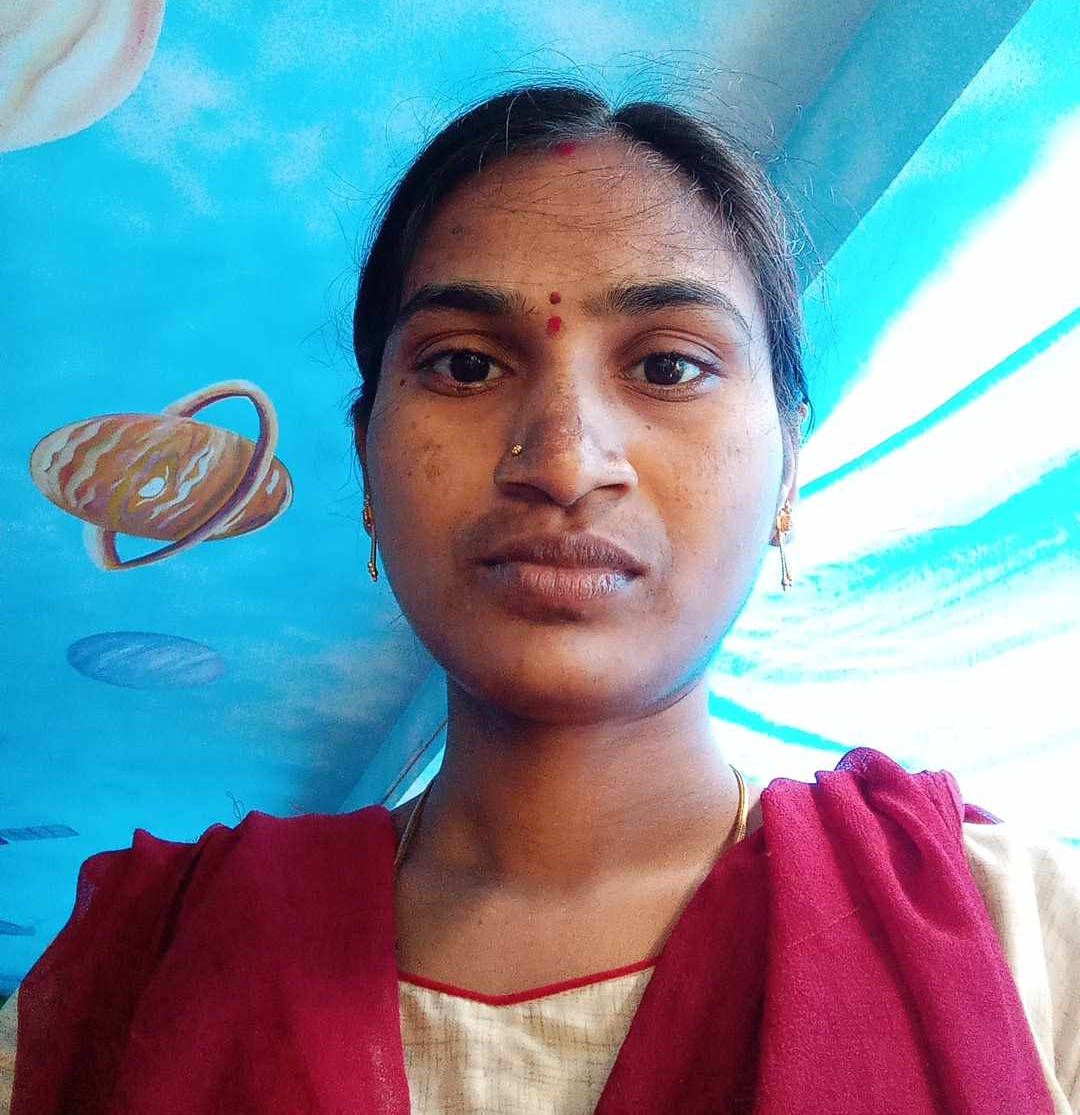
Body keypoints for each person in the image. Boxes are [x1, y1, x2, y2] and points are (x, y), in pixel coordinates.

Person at [3, 84, 1078, 1113]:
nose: (563, 461)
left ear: (788, 466)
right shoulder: (130, 980)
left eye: (668, 367)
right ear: (368, 462)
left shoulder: (1023, 944)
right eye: (466, 367)